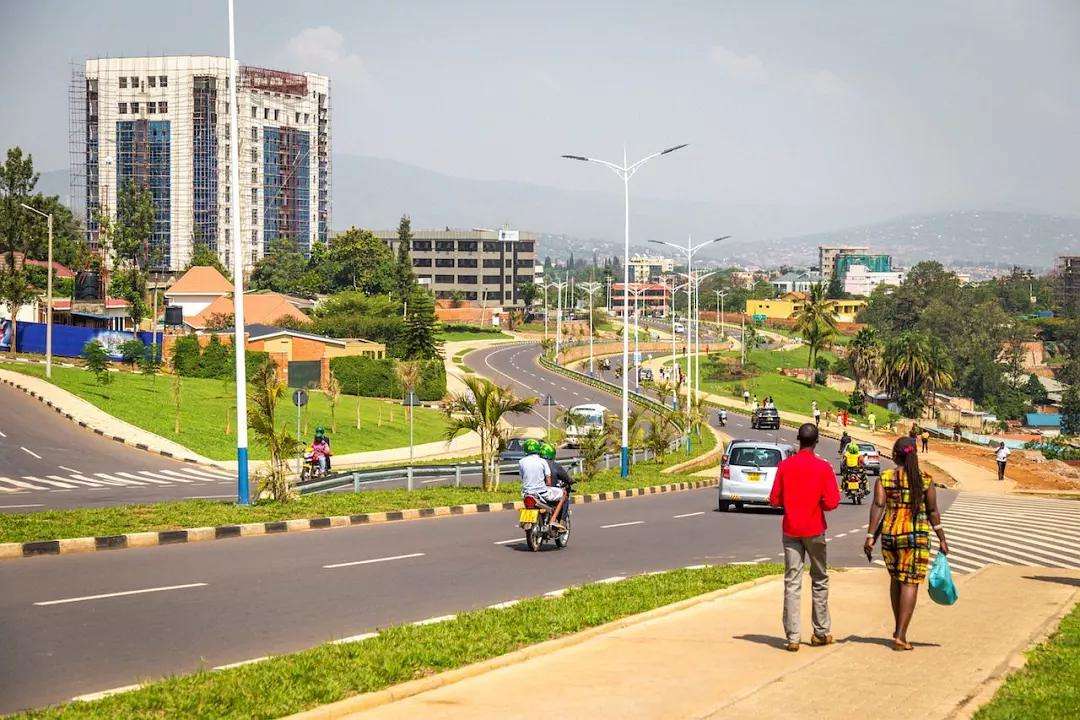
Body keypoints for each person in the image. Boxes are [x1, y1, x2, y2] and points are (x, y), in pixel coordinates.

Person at [863, 436, 949, 651]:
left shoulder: (885, 478)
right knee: (910, 582)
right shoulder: (925, 479)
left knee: (896, 579)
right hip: (916, 537)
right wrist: (942, 538)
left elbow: (878, 505)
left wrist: (870, 535)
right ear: (914, 455)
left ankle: (897, 628)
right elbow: (932, 512)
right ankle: (901, 635)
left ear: (894, 455)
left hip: (891, 535)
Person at [769, 423, 841, 652]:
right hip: (815, 530)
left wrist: (791, 501)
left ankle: (793, 636)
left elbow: (774, 499)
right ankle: (820, 632)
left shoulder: (785, 466)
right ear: (816, 441)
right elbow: (831, 502)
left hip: (791, 530)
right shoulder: (823, 467)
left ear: (798, 439)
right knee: (819, 579)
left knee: (792, 582)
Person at [518, 438, 565, 530]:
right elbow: (548, 480)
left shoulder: (521, 461)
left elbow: (522, 477)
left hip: (526, 493)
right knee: (563, 493)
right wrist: (547, 484)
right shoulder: (542, 461)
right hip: (542, 492)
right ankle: (553, 519)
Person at [540, 442, 571, 521]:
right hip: (548, 492)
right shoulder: (555, 465)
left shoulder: (537, 464)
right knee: (564, 495)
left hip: (536, 492)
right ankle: (561, 521)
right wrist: (571, 481)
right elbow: (566, 477)